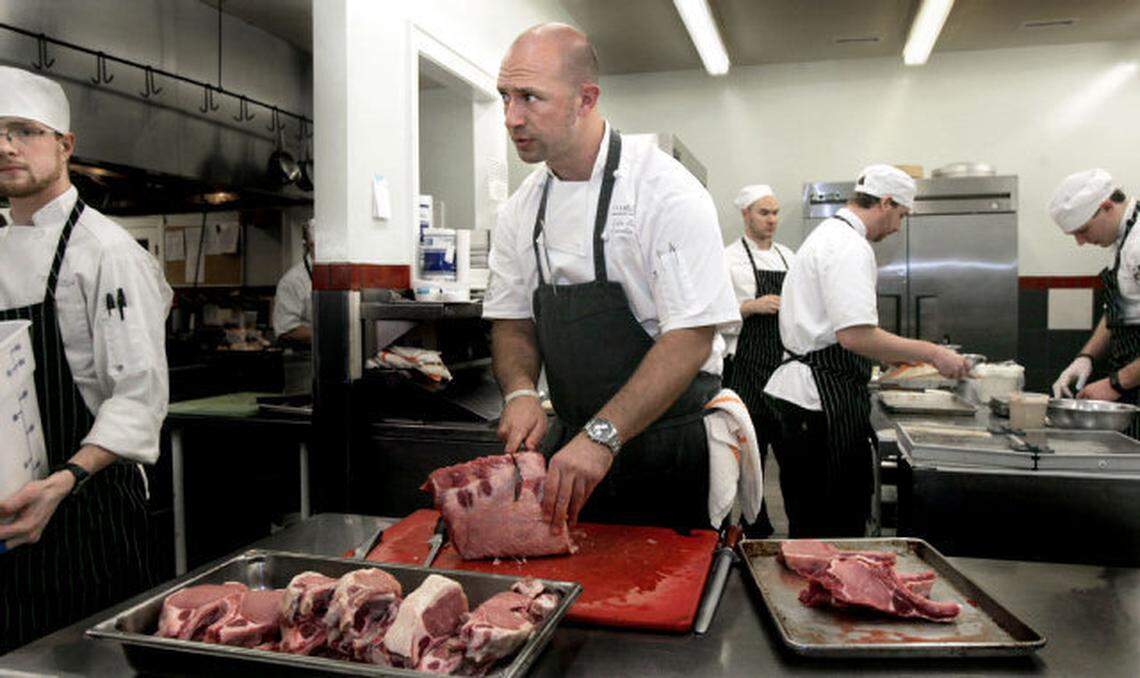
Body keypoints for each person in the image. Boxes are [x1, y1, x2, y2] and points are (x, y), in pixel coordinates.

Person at [484, 24, 740, 530]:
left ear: (586, 99)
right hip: (575, 447)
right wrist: (520, 392)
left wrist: (604, 436)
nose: (512, 118)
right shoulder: (521, 210)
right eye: (505, 97)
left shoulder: (665, 192)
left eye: (530, 98)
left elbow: (691, 336)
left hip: (668, 445)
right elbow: (512, 320)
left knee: (665, 599)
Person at [0, 66, 172, 653]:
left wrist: (64, 480)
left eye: (23, 130)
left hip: (87, 510)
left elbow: (139, 397)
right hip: (10, 510)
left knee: (83, 661)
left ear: (65, 145)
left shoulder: (106, 251)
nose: (5, 146)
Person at [763, 165, 969, 538]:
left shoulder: (827, 236)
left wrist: (895, 356)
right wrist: (932, 354)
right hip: (818, 402)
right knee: (831, 526)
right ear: (886, 203)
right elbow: (855, 337)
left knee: (813, 523)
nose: (897, 228)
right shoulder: (848, 246)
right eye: (901, 216)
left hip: (805, 398)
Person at [721, 184, 794, 537]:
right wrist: (750, 306)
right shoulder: (727, 259)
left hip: (783, 366)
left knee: (789, 449)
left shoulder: (789, 258)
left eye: (775, 212)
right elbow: (712, 315)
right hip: (744, 366)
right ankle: (754, 523)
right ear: (745, 214)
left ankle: (796, 525)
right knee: (751, 452)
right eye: (764, 213)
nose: (772, 220)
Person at [1049, 169, 1140, 438]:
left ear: (1107, 206)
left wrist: (1115, 384)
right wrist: (1085, 358)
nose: (1080, 242)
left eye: (1083, 230)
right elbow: (1119, 311)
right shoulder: (1123, 241)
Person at [273, 218, 314, 346]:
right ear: (309, 245)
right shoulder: (292, 281)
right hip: (304, 359)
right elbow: (286, 330)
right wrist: (326, 336)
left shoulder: (340, 275)